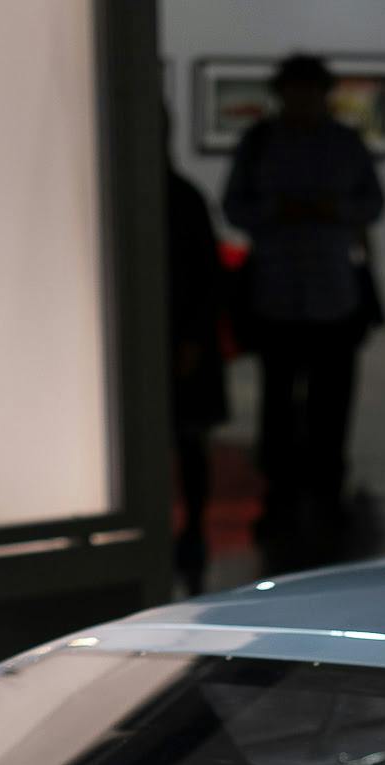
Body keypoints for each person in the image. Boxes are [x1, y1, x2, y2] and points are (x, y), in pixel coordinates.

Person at [221, 53, 385, 559]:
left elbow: (374, 203)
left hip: (333, 291)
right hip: (278, 291)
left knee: (332, 396)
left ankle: (326, 478)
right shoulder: (260, 143)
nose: (303, 101)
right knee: (278, 392)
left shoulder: (344, 143)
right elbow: (235, 206)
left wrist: (330, 211)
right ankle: (281, 484)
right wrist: (281, 211)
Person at [166, 120, 228, 597]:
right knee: (185, 440)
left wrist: (191, 340)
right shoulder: (179, 195)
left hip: (181, 336)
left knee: (188, 440)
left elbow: (206, 277)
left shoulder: (180, 198)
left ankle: (191, 528)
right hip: (180, 336)